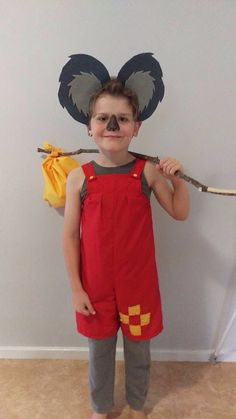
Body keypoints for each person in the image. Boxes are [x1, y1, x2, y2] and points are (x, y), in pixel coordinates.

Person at [62, 78, 189, 419]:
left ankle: (137, 404)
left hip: (139, 288)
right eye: (103, 118)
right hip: (96, 288)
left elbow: (179, 212)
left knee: (138, 352)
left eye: (122, 118)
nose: (112, 125)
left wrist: (177, 180)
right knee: (99, 352)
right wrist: (76, 288)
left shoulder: (145, 172)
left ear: (136, 127)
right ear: (89, 127)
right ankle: (101, 408)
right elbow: (70, 236)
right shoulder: (78, 178)